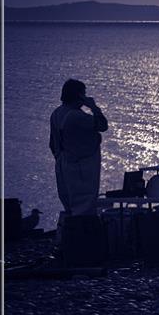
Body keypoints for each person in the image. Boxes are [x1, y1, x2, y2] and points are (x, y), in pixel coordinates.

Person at [50, 79, 108, 216]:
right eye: (84, 94)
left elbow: (52, 144)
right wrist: (93, 107)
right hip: (80, 170)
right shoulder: (77, 116)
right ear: (80, 96)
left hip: (62, 166)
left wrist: (60, 159)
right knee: (83, 208)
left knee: (70, 206)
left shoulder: (56, 114)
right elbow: (103, 125)